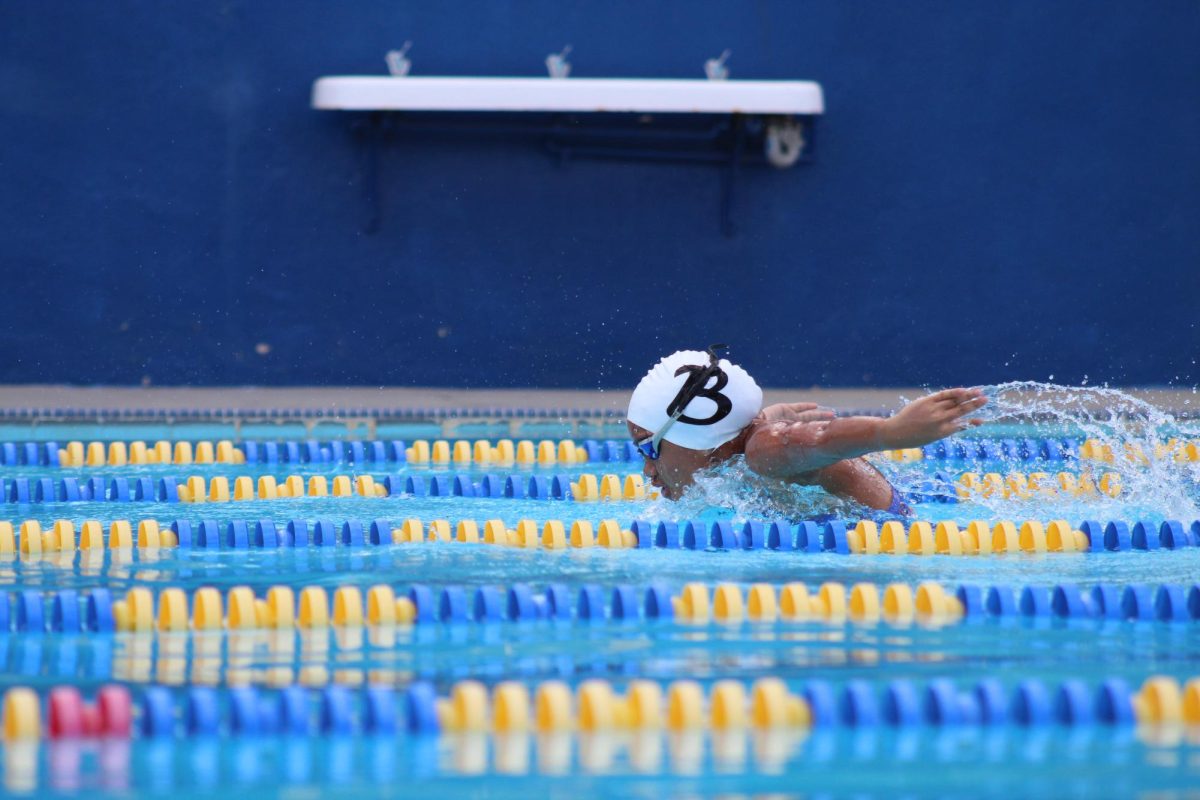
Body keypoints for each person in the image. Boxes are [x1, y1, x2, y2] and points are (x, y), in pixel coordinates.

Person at [626, 346, 987, 513]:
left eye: (649, 448)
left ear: (698, 438)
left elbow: (821, 439)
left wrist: (894, 432)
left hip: (886, 536)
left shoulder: (763, 452)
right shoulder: (735, 445)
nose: (647, 469)